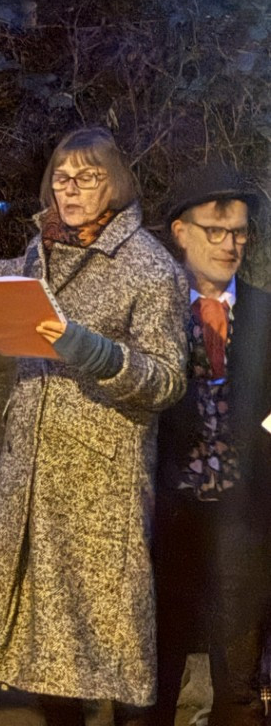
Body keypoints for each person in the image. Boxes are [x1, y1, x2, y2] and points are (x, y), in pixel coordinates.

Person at [0, 127, 188, 724]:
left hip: (99, 483)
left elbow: (167, 379)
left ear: (116, 183)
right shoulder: (44, 249)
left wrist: (98, 354)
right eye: (62, 178)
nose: (72, 190)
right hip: (32, 473)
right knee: (42, 650)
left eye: (88, 177)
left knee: (105, 644)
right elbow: (2, 277)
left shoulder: (150, 267)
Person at [151, 163, 271, 725]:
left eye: (239, 233)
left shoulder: (266, 312)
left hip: (245, 516)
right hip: (165, 514)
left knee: (240, 684)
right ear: (181, 232)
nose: (230, 245)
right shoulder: (153, 309)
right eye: (216, 231)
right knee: (152, 681)